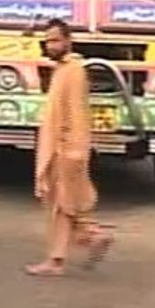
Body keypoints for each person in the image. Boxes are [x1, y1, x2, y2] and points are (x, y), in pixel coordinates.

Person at [25, 20, 114, 276]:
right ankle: (88, 239)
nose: (50, 46)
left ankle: (65, 254)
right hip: (56, 148)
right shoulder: (62, 70)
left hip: (66, 150)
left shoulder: (74, 70)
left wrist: (74, 149)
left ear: (67, 41)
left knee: (63, 206)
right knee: (62, 206)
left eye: (55, 40)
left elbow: (76, 115)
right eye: (47, 41)